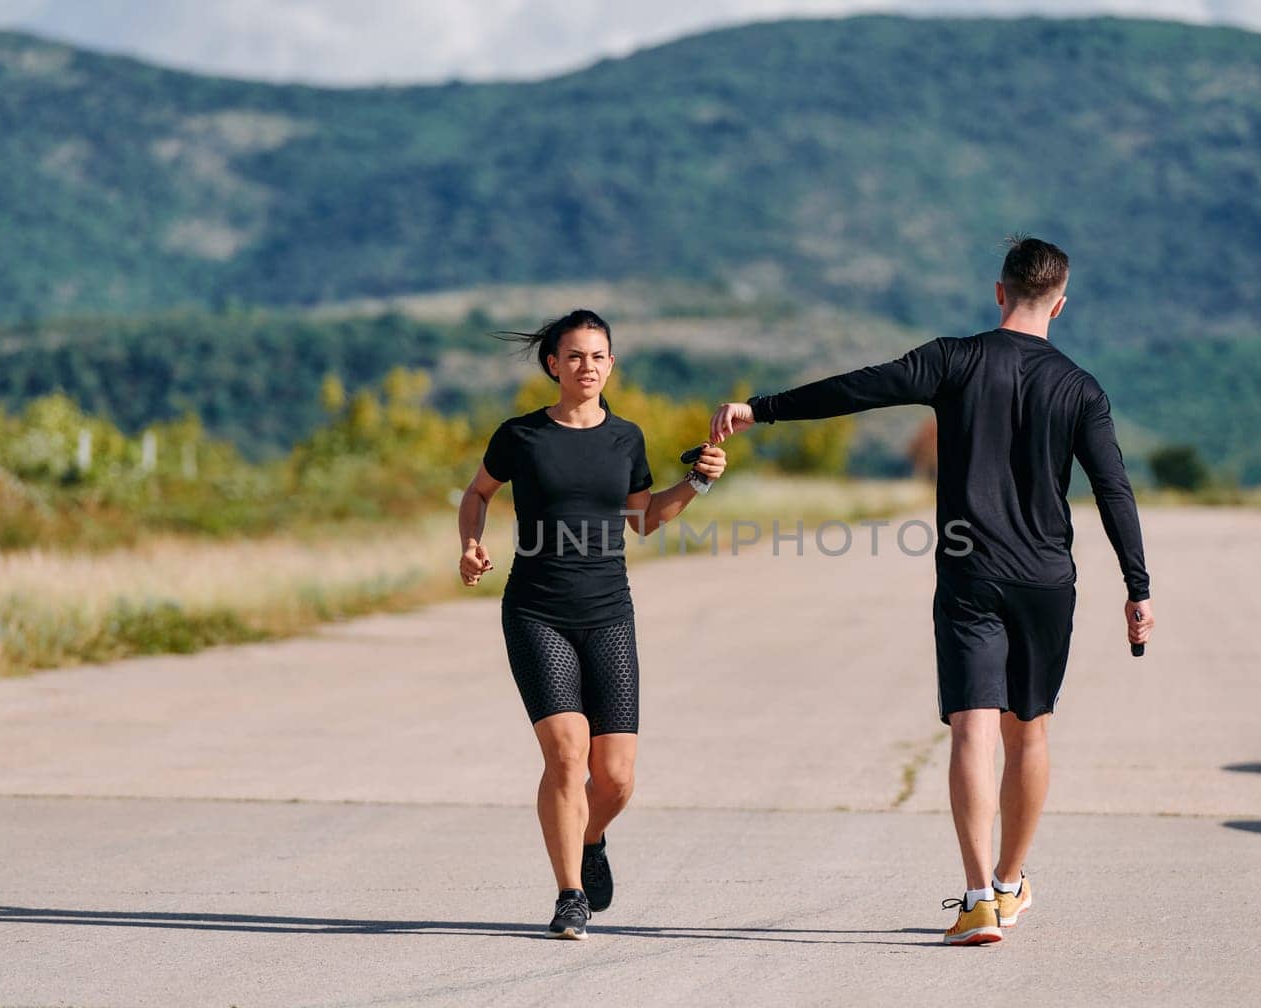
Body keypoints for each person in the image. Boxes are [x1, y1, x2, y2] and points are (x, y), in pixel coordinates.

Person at [710, 237, 1153, 946]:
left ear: (1000, 292)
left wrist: (760, 410)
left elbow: (857, 386)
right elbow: (1114, 488)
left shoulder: (954, 359)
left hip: (971, 574)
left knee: (974, 726)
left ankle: (978, 897)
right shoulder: (1081, 387)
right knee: (1029, 729)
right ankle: (1011, 884)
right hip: (1047, 580)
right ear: (1061, 304)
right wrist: (1138, 586)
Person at [459, 309, 727, 940]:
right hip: (536, 610)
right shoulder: (520, 436)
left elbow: (643, 519)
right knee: (566, 754)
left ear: (611, 363)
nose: (587, 367)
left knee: (616, 777)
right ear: (553, 364)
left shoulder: (626, 439)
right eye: (575, 356)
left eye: (598, 356)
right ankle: (569, 894)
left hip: (608, 612)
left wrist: (696, 483)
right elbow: (477, 494)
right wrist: (471, 542)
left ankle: (592, 837)